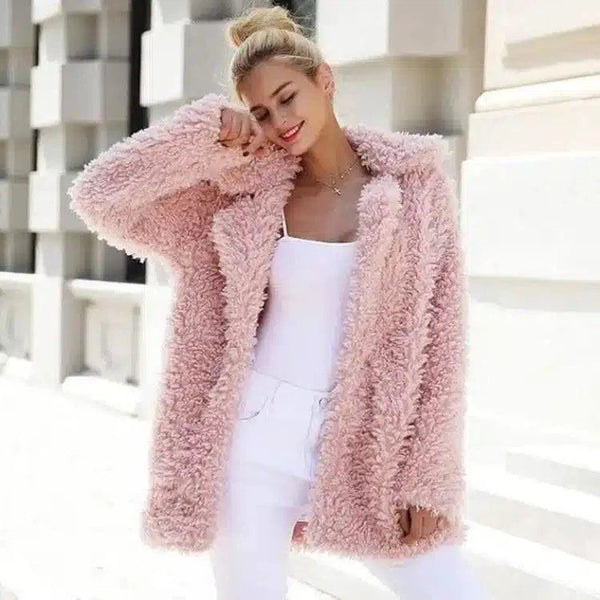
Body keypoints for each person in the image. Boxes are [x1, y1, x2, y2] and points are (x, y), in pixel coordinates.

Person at [68, 5, 489, 599]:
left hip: (365, 438)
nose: (280, 121)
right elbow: (100, 195)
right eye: (262, 112)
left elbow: (442, 340)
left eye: (288, 97)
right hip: (253, 438)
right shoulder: (243, 196)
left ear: (325, 80)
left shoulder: (413, 189)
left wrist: (427, 473)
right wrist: (203, 134)